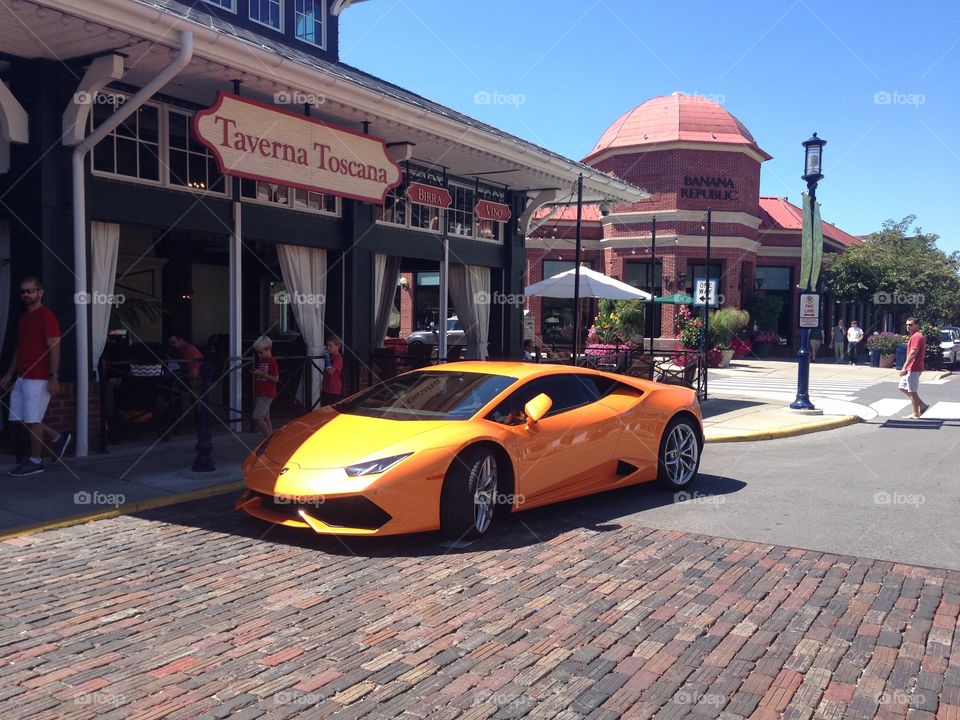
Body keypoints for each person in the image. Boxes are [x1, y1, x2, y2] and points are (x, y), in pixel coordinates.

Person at [0, 276, 72, 475]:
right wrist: (9, 373)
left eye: (30, 291)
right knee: (20, 417)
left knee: (32, 419)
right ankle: (58, 437)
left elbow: (55, 347)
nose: (26, 294)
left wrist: (52, 376)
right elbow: (20, 347)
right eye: (23, 291)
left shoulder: (46, 316)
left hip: (39, 377)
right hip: (22, 376)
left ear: (40, 292)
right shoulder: (24, 317)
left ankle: (35, 461)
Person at [899, 317, 929, 419]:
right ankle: (922, 405)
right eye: (907, 324)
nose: (908, 326)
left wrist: (904, 367)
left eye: (910, 325)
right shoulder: (914, 336)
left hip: (914, 367)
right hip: (911, 368)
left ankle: (915, 413)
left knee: (912, 391)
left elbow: (913, 353)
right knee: (902, 387)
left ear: (916, 325)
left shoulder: (917, 336)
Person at [251, 336, 279, 437]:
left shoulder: (272, 361)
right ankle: (271, 437)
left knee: (257, 416)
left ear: (268, 350)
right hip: (261, 392)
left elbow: (276, 379)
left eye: (261, 352)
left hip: (267, 393)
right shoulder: (263, 361)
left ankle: (269, 437)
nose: (259, 355)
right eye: (258, 352)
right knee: (266, 417)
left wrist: (261, 374)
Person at [321, 335, 343, 406]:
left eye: (330, 346)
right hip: (326, 387)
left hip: (333, 389)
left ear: (337, 346)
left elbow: (330, 371)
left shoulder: (338, 358)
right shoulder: (331, 356)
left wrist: (327, 359)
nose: (328, 348)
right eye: (327, 346)